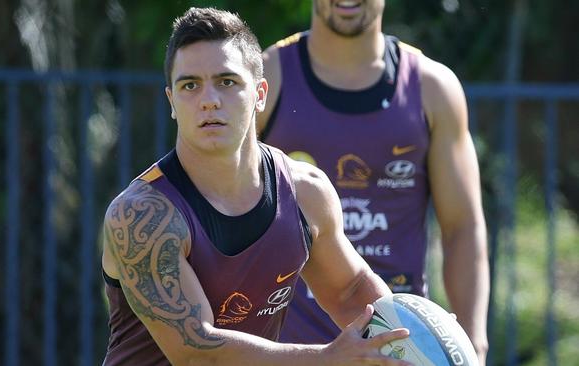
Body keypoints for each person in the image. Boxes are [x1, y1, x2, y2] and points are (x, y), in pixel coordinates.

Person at [101, 7, 412, 366]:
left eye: (227, 81)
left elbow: (350, 292)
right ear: (172, 101)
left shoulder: (304, 193)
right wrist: (327, 358)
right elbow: (195, 351)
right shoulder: (141, 215)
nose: (209, 99)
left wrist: (416, 333)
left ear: (260, 93)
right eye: (190, 85)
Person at [257, 0, 489, 364]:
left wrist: (474, 344)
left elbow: (462, 226)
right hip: (294, 351)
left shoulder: (432, 87)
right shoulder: (264, 78)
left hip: (402, 351)